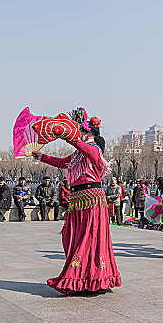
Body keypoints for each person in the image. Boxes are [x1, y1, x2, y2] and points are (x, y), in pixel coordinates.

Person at [32, 109, 121, 294]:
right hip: (78, 200)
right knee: (73, 237)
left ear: (90, 134)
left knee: (88, 238)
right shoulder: (77, 155)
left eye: (81, 131)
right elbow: (62, 163)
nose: (78, 133)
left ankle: (88, 278)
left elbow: (89, 152)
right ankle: (84, 277)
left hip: (91, 200)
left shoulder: (95, 149)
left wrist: (69, 136)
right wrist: (41, 157)